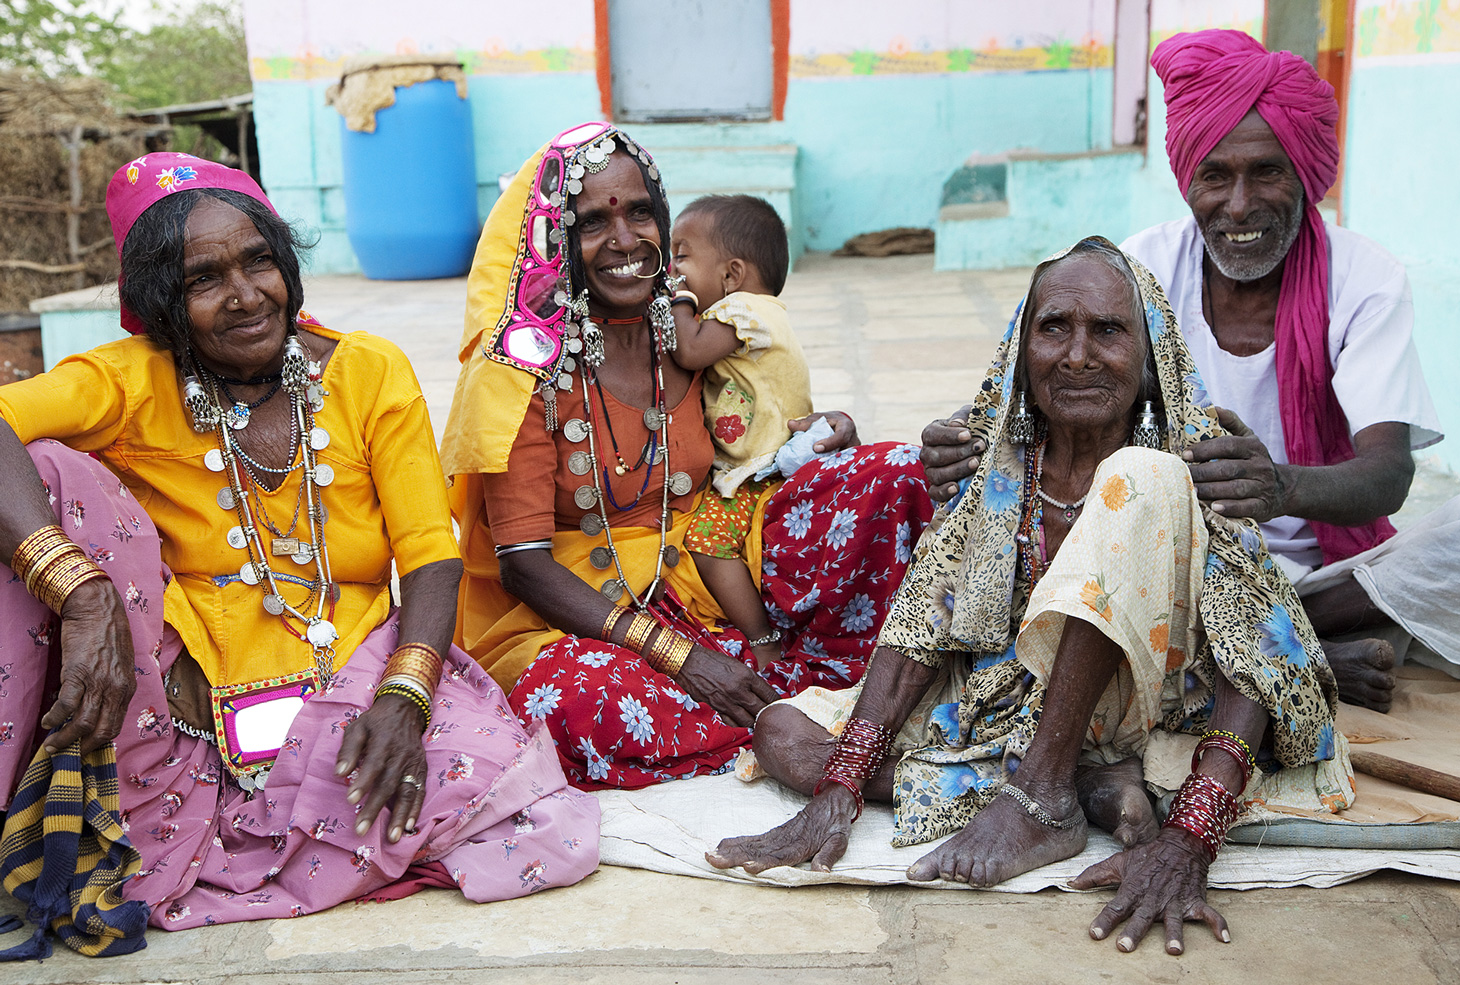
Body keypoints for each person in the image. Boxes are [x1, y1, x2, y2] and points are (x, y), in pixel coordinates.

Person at [0, 154, 599, 940]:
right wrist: (77, 588)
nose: (246, 295)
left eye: (259, 262)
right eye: (203, 280)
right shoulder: (130, 382)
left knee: (543, 833)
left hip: (357, 688)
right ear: (161, 305)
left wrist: (405, 697)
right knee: (48, 473)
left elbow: (430, 552)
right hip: (184, 718)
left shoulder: (366, 372)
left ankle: (298, 831)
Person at [709, 238, 1353, 956]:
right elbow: (927, 617)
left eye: (1108, 331)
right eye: (1054, 328)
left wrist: (1190, 837)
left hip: (1152, 703)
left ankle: (1045, 793)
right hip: (1020, 701)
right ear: (1023, 348)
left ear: (1148, 360)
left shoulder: (1189, 464)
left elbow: (1258, 658)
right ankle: (1087, 784)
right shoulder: (1003, 465)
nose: (1077, 355)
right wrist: (840, 788)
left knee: (1134, 478)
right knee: (782, 734)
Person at [921, 30, 1460, 713]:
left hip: (1327, 577)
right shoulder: (1142, 267)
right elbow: (1040, 388)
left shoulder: (1365, 280)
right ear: (1188, 181)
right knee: (1021, 528)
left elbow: (1389, 476)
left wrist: (1278, 487)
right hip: (1165, 563)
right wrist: (963, 442)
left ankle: (1268, 634)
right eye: (1216, 175)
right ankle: (1285, 650)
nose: (1239, 205)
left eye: (1266, 172)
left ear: (1304, 171)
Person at [441, 122, 932, 790]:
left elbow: (760, 415)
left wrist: (826, 430)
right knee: (574, 697)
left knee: (892, 476)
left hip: (710, 558)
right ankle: (809, 734)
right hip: (577, 614)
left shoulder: (685, 326)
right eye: (591, 221)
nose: (624, 240)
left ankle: (853, 704)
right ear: (551, 237)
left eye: (640, 213)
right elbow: (524, 568)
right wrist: (679, 656)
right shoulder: (520, 369)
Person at [670, 194, 812, 671]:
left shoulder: (744, 312)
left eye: (682, 255)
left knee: (708, 543)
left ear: (731, 275)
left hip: (757, 464)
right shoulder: (760, 315)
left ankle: (762, 638)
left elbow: (686, 351)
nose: (672, 267)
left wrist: (679, 298)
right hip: (765, 455)